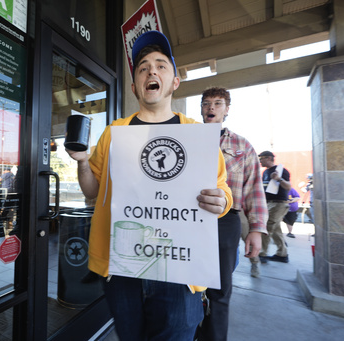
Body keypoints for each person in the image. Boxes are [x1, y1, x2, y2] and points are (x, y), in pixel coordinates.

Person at [65, 30, 233, 341]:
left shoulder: (197, 134)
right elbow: (92, 192)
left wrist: (222, 201)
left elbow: (222, 190)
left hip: (180, 269)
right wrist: (82, 162)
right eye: (143, 68)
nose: (151, 71)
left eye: (160, 65)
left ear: (174, 82)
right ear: (135, 86)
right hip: (124, 266)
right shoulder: (115, 132)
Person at [196, 87, 268, 341]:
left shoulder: (242, 146)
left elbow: (254, 189)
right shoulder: (187, 137)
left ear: (227, 110)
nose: (211, 108)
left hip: (225, 221)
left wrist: (256, 229)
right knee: (185, 284)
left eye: (218, 103)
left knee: (219, 288)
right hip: (186, 218)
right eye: (206, 103)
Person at [258, 151, 291, 263]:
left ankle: (262, 253)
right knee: (276, 230)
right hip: (268, 203)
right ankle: (282, 254)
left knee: (266, 227)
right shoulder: (266, 172)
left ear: (269, 158)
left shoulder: (281, 171)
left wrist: (279, 179)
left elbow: (288, 187)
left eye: (261, 158)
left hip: (279, 203)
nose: (260, 161)